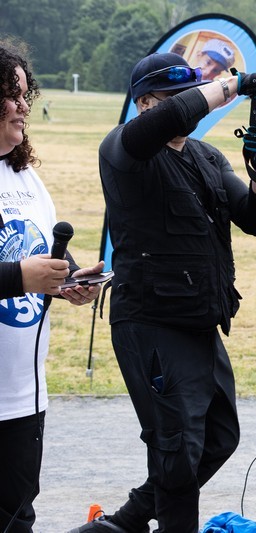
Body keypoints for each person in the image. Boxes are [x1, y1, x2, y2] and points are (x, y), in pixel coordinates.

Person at [69, 53, 256, 533]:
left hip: (201, 320)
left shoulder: (206, 157)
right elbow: (177, 115)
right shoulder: (124, 150)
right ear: (145, 103)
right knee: (177, 449)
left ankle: (125, 522)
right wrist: (237, 85)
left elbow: (254, 219)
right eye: (173, 99)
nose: (189, 108)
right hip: (151, 321)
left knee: (219, 437)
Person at [0, 40, 103, 533]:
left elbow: (41, 249)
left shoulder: (24, 177)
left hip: (23, 394)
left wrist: (70, 280)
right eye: (12, 94)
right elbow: (22, 269)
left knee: (17, 518)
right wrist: (21, 278)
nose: (24, 106)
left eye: (26, 94)